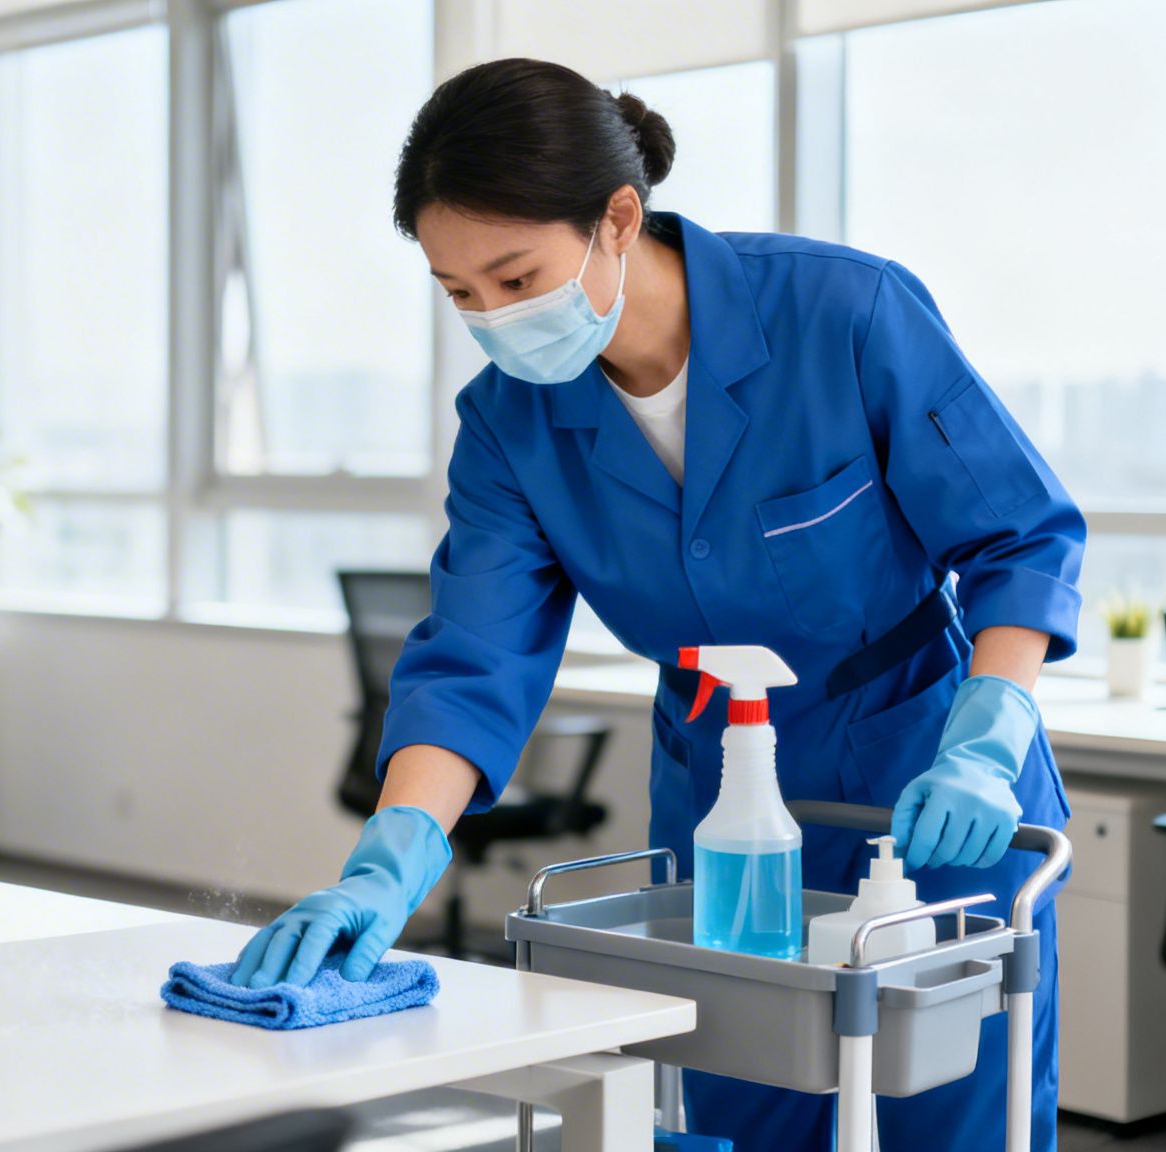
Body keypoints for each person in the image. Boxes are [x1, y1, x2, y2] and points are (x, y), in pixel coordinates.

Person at [231, 57, 1083, 1152]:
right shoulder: (507, 426)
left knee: (944, 1121)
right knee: (743, 1102)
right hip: (720, 793)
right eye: (459, 294)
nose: (494, 316)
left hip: (925, 778)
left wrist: (984, 737)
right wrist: (386, 863)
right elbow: (475, 660)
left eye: (515, 274)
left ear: (616, 219)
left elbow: (1017, 533)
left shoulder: (841, 311)